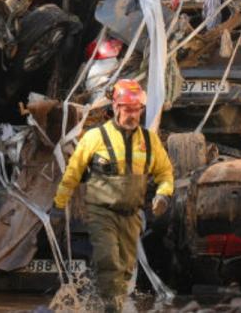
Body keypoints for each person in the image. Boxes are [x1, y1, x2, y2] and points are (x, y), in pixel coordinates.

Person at [52, 79, 174, 312]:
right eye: (127, 109)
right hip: (101, 212)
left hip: (132, 216)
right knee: (109, 261)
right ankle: (112, 309)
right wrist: (59, 206)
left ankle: (101, 304)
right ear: (115, 108)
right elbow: (72, 174)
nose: (132, 115)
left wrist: (163, 195)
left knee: (126, 270)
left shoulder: (150, 141)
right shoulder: (94, 137)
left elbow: (165, 173)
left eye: (137, 110)